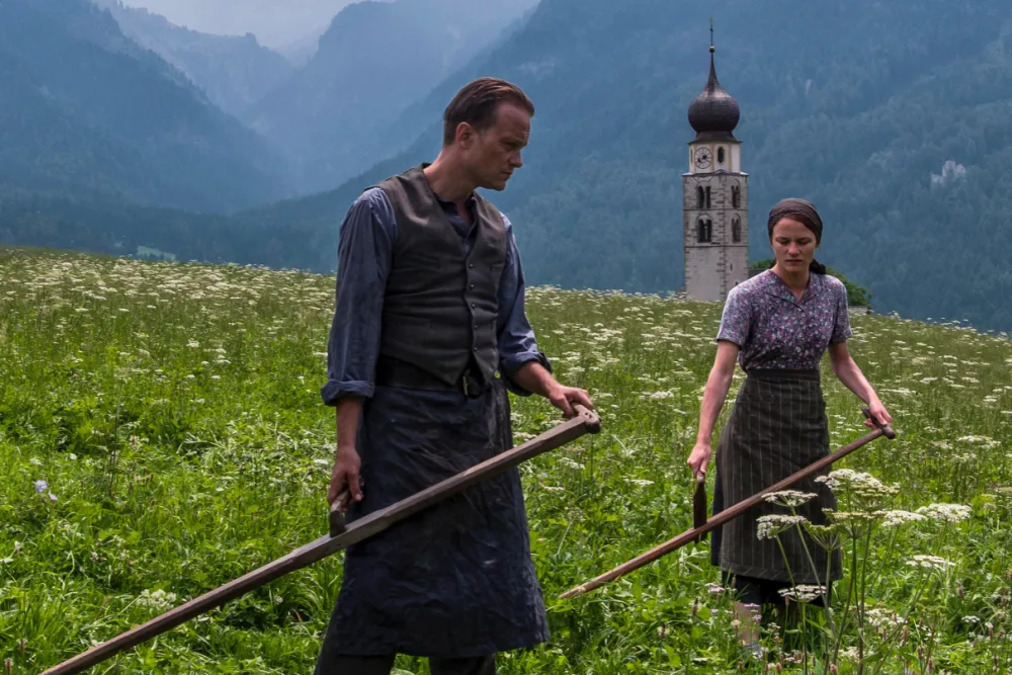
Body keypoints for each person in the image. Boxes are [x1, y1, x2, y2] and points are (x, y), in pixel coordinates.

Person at [316, 78, 593, 675]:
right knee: (379, 589)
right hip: (400, 435)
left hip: (479, 432)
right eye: (509, 144)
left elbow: (511, 339)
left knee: (477, 593)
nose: (518, 159)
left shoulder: (498, 230)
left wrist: (550, 386)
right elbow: (354, 339)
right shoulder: (380, 211)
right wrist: (347, 446)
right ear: (465, 135)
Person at [686, 198, 891, 653]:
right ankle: (749, 643)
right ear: (771, 242)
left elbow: (842, 361)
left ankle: (804, 637)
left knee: (808, 522)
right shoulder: (748, 296)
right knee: (751, 525)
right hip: (753, 425)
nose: (793, 250)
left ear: (816, 242)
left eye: (802, 241)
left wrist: (873, 399)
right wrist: (702, 442)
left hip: (807, 422)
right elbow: (720, 373)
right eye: (783, 241)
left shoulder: (833, 292)